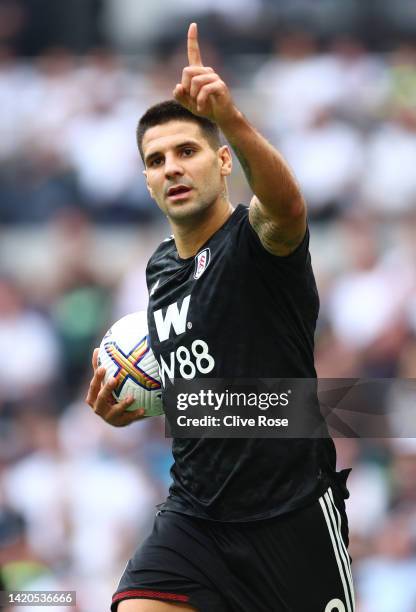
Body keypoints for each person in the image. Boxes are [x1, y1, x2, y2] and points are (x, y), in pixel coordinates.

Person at [86, 23, 354, 612]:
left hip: (289, 515)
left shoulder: (255, 244)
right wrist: (136, 410)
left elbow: (286, 207)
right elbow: (208, 387)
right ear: (147, 181)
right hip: (195, 519)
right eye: (156, 160)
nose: (172, 168)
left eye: (188, 151)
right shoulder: (159, 270)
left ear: (224, 160)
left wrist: (229, 114)